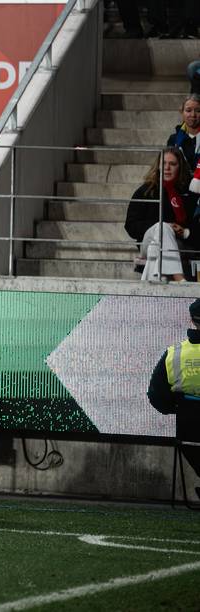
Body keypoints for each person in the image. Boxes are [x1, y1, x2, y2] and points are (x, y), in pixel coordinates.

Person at [148, 298, 200, 501]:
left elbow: (155, 395)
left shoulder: (174, 353)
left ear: (192, 320)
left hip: (188, 429)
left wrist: (177, 408)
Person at [125, 147, 200, 282]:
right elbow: (130, 226)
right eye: (164, 163)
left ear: (180, 167)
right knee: (162, 228)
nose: (167, 168)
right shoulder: (145, 191)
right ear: (158, 166)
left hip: (177, 244)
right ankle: (179, 278)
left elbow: (196, 226)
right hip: (147, 241)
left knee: (156, 248)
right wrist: (159, 226)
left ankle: (157, 285)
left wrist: (184, 232)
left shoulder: (189, 192)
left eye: (172, 164)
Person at [167, 94, 200, 171]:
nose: (193, 115)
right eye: (188, 110)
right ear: (182, 112)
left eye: (198, 111)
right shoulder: (173, 139)